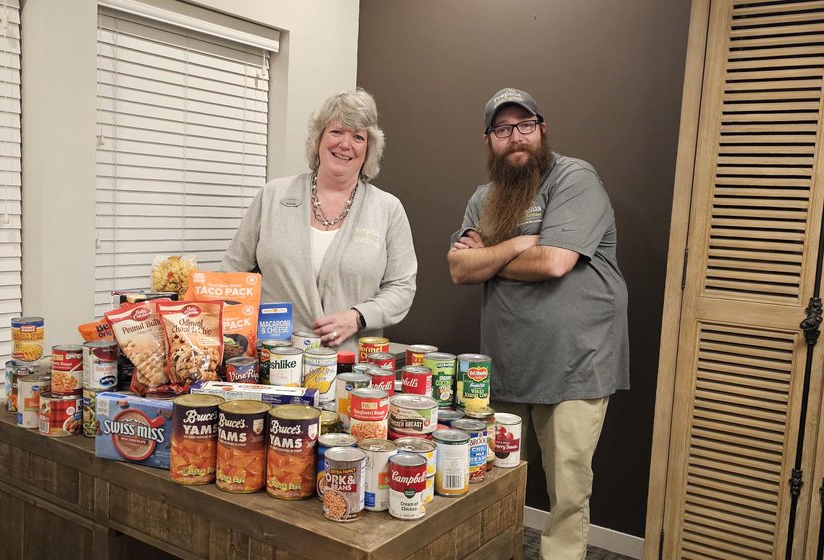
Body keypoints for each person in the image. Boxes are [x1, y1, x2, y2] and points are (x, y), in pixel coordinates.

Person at [447, 88, 629, 560]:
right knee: (490, 476)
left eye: (525, 125)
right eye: (503, 129)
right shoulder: (484, 198)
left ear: (541, 129)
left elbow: (554, 262)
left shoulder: (574, 178)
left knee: (568, 492)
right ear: (488, 140)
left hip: (574, 362)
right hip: (505, 363)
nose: (516, 137)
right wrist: (515, 246)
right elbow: (458, 268)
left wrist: (490, 255)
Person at [221, 89, 417, 351]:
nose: (345, 144)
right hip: (272, 360)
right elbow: (231, 273)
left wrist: (358, 316)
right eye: (336, 132)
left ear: (369, 148)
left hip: (351, 370)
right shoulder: (273, 195)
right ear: (318, 138)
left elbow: (402, 287)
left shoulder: (387, 209)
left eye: (358, 136)